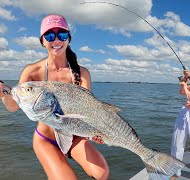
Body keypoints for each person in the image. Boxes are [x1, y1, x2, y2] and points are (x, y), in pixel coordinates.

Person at [0, 14, 109, 180]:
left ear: (68, 39)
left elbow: (89, 110)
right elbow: (14, 106)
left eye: (62, 35)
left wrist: (93, 133)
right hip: (46, 139)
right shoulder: (31, 71)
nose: (56, 40)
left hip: (75, 136)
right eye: (50, 36)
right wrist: (4, 93)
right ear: (42, 41)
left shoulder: (82, 73)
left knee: (101, 173)